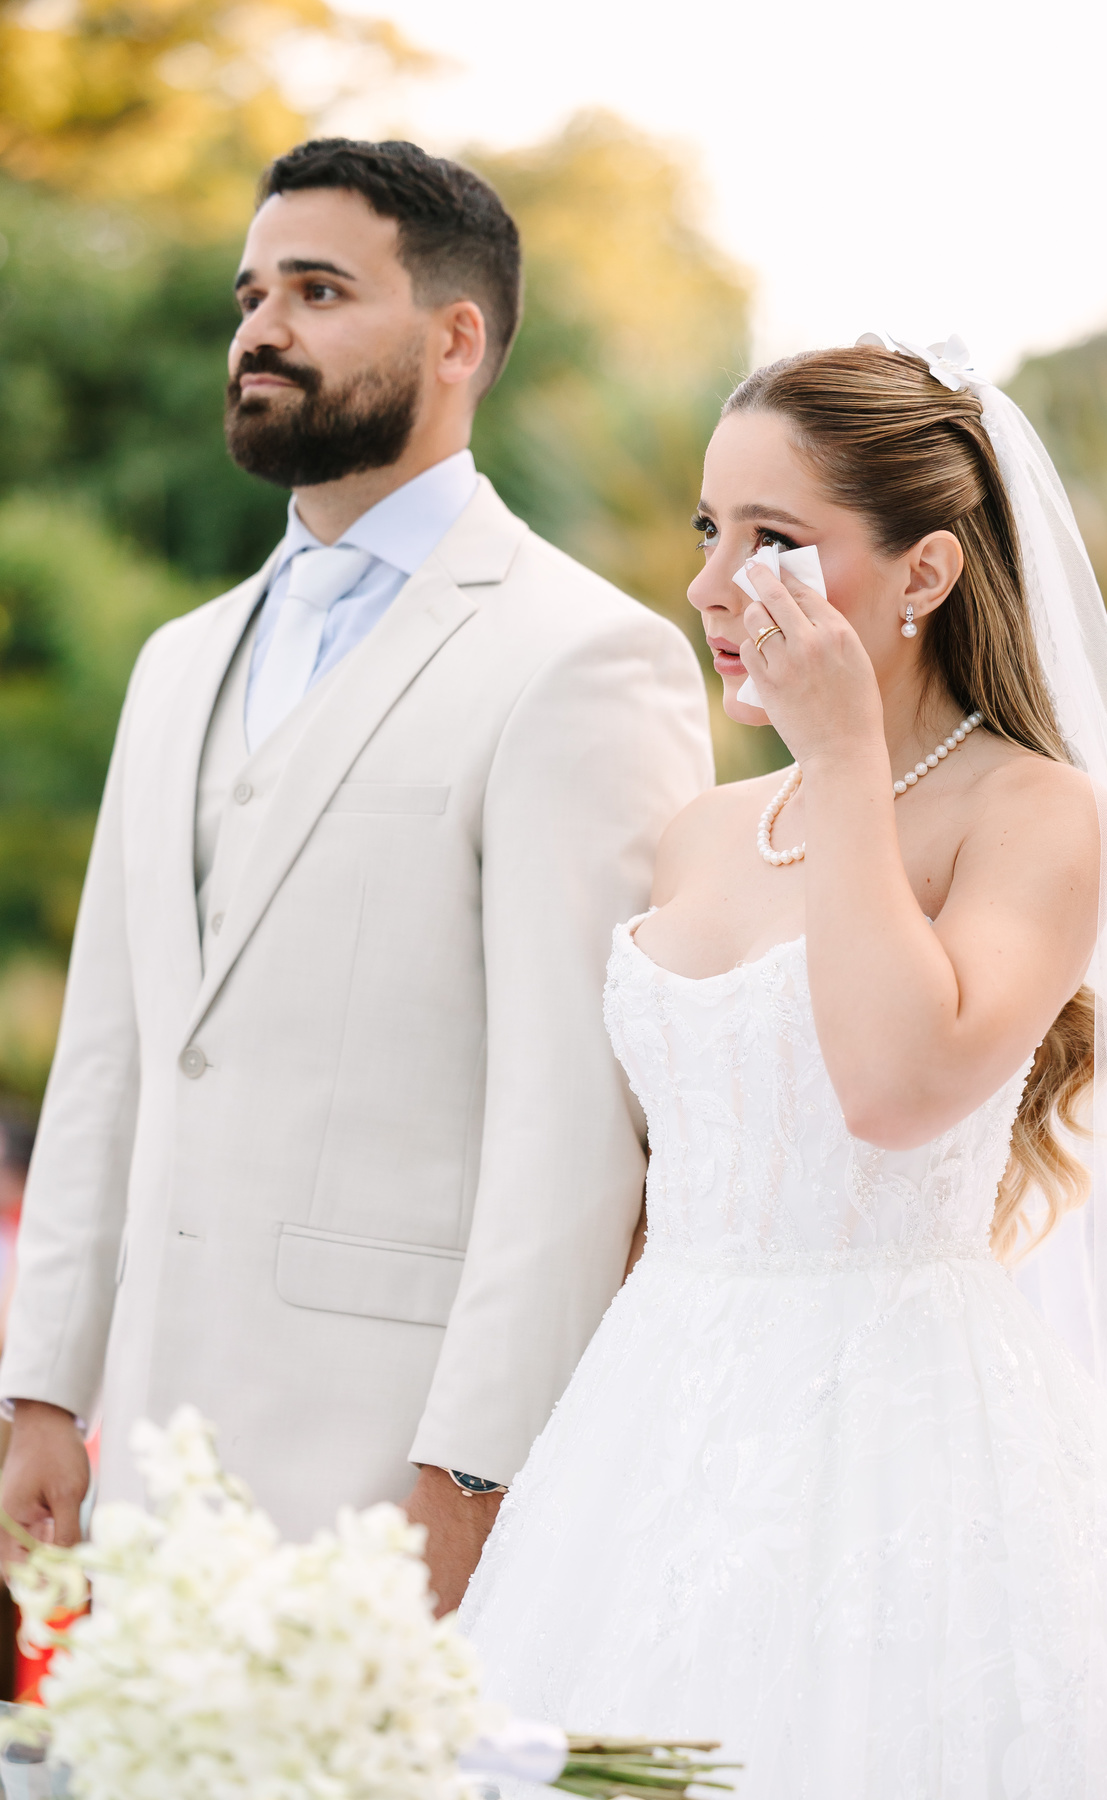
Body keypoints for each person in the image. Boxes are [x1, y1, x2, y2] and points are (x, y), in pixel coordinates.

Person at [459, 339, 1107, 1793]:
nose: (713, 586)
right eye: (708, 532)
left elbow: (898, 1090)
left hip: (912, 1443)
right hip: (651, 1422)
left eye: (776, 541)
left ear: (923, 576)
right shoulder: (702, 832)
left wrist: (850, 760)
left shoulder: (1040, 814)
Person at [0, 138, 713, 1610]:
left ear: (459, 339)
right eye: (251, 294)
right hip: (149, 1452)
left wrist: (475, 1473)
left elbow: (576, 1124)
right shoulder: (177, 660)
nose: (261, 329)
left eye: (318, 290)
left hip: (393, 1463)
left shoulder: (583, 659)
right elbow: (113, 1054)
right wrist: (41, 1388)